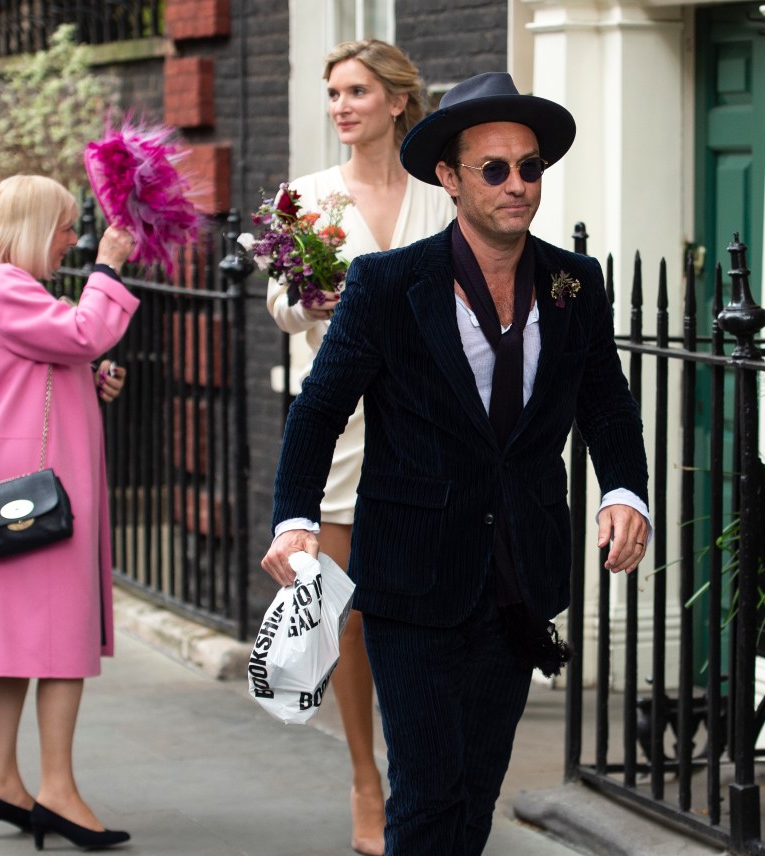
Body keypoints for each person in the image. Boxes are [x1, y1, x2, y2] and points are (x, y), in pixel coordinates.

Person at [262, 72, 652, 854]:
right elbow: (319, 407)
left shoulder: (577, 283)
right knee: (428, 793)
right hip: (413, 578)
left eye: (531, 167)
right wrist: (298, 518)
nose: (518, 186)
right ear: (449, 177)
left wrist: (626, 491)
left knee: (475, 792)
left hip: (518, 579)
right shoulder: (387, 283)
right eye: (495, 169)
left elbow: (604, 402)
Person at [265, 38, 454, 856]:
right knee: (342, 614)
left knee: (420, 602)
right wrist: (312, 299)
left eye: (356, 92)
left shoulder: (443, 195)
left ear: (397, 101)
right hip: (339, 425)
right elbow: (279, 304)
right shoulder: (305, 198)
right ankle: (363, 779)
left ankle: (420, 773)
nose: (341, 106)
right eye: (333, 92)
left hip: (426, 424)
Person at [0, 175, 139, 851]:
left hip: (14, 486)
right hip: (37, 494)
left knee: (14, 645)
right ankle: (56, 791)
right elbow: (85, 329)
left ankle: (4, 783)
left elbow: (33, 363)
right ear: (30, 226)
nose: (72, 240)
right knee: (59, 642)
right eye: (63, 228)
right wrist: (109, 266)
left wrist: (85, 378)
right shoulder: (4, 285)